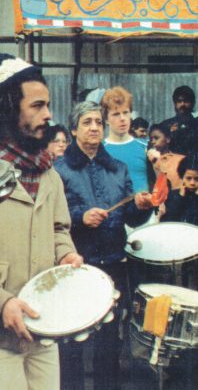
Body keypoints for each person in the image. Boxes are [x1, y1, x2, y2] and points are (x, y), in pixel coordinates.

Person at [55, 101, 153, 390]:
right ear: (74, 129)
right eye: (87, 122)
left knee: (109, 342)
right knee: (71, 342)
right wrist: (80, 217)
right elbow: (52, 219)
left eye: (98, 121)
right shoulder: (58, 171)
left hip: (112, 264)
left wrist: (142, 206)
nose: (95, 127)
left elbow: (131, 218)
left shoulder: (119, 169)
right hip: (75, 267)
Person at [0, 53, 82, 390]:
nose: (48, 114)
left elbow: (59, 229)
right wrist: (3, 301)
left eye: (47, 105)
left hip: (42, 328)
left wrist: (66, 254)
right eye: (36, 106)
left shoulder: (49, 173)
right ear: (7, 109)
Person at [102, 87, 149, 192]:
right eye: (116, 114)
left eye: (125, 112)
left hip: (144, 207)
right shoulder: (99, 150)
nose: (122, 118)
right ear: (106, 119)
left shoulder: (146, 147)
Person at [160, 155, 198, 225]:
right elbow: (168, 221)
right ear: (182, 177)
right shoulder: (172, 195)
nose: (192, 183)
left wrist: (197, 198)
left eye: (197, 179)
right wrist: (180, 197)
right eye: (188, 178)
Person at [148, 123, 185, 190]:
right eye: (151, 139)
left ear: (167, 139)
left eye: (156, 138)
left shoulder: (180, 159)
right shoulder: (149, 160)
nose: (153, 142)